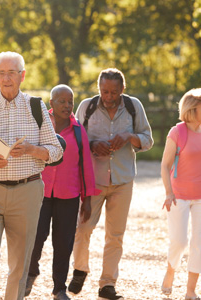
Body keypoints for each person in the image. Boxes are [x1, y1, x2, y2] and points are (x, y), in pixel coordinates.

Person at [0, 51, 63, 300]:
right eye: (1, 73)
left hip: (27, 191)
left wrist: (32, 149)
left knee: (20, 258)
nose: (6, 79)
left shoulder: (36, 106)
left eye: (11, 73)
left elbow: (55, 150)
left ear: (22, 75)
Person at [69, 68, 153, 300]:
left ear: (122, 89)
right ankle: (80, 269)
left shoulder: (134, 107)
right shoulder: (87, 107)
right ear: (99, 88)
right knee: (83, 227)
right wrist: (93, 144)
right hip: (92, 180)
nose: (108, 96)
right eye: (104, 91)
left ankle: (107, 284)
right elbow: (76, 139)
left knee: (115, 234)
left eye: (113, 92)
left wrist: (129, 137)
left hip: (123, 180)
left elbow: (148, 140)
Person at [25, 85, 98, 300]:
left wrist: (87, 200)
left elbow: (85, 166)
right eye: (62, 101)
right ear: (51, 103)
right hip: (40, 193)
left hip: (69, 195)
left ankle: (59, 288)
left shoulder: (78, 131)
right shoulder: (38, 125)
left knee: (63, 242)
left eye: (70, 101)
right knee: (36, 236)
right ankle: (30, 273)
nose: (67, 105)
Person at [160, 88, 201, 300]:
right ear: (192, 109)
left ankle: (190, 290)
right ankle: (171, 269)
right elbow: (165, 166)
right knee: (180, 241)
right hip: (178, 195)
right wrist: (168, 192)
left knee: (199, 242)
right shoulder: (177, 132)